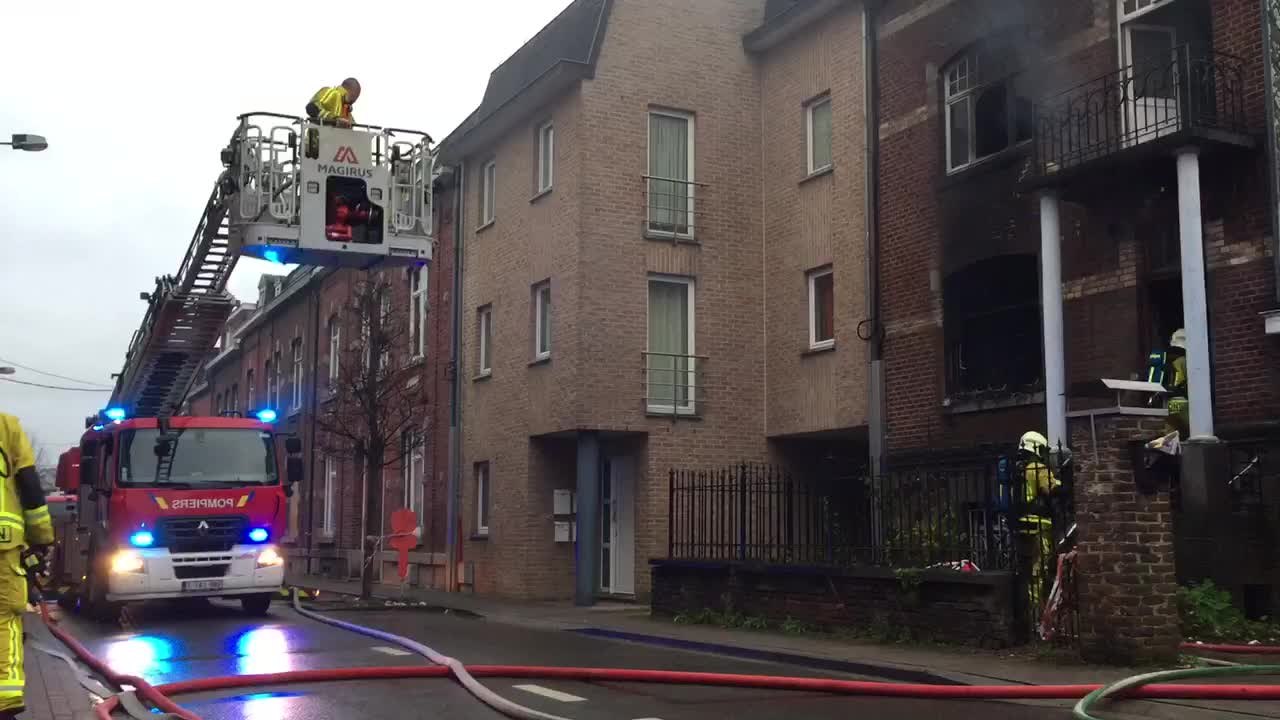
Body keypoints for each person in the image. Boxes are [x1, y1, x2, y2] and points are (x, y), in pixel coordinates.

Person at [0, 413, 54, 719]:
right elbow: (30, 485)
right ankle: (4, 705)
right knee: (3, 620)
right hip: (3, 545)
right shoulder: (6, 426)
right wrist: (41, 538)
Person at [1018, 430, 1061, 617]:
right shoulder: (1037, 468)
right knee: (1040, 566)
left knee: (1025, 565)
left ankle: (1026, 603)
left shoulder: (1018, 468)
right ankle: (1034, 611)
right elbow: (1053, 489)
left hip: (1021, 523)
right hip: (1039, 524)